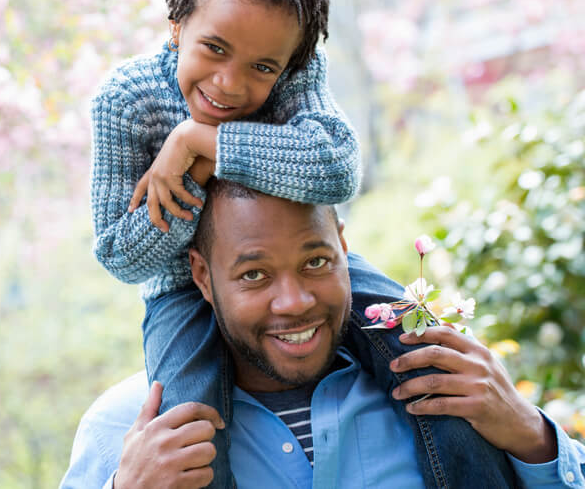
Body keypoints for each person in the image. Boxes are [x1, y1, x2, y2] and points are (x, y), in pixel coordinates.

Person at [89, 0, 398, 488]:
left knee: (432, 353)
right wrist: (202, 185)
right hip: (177, 293)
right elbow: (119, 253)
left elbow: (333, 167)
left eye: (261, 68)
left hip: (303, 262)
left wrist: (199, 147)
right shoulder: (126, 100)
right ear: (177, 25)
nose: (230, 86)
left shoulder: (294, 70)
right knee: (186, 430)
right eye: (214, 49)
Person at [63, 179, 585, 488]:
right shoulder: (130, 431)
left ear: (343, 245)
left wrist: (529, 435)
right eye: (254, 275)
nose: (295, 301)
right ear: (202, 276)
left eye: (315, 261)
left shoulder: (441, 387)